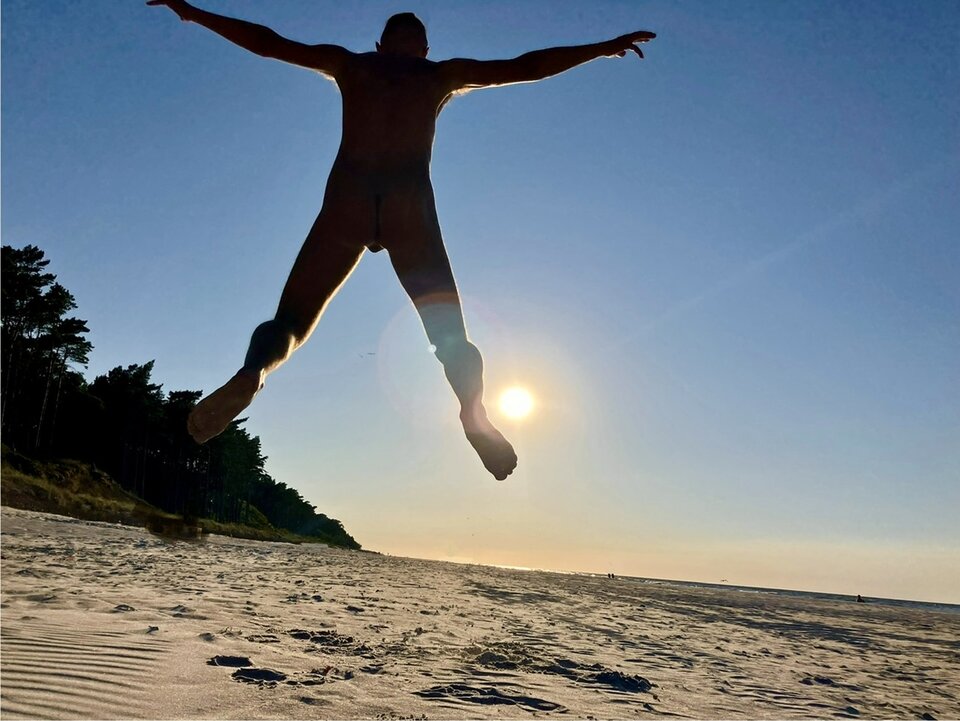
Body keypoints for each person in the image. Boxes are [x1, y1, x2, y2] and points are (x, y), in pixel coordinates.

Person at [147, 1, 655, 480]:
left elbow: (266, 42)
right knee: (450, 337)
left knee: (290, 322)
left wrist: (192, 13)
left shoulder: (349, 65)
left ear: (380, 43)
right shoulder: (440, 76)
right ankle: (473, 413)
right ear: (425, 49)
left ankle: (254, 372)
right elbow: (526, 65)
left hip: (346, 203)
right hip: (409, 208)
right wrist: (601, 46)